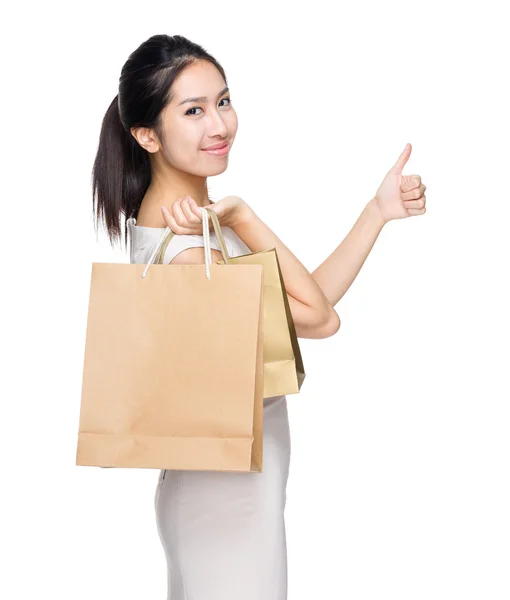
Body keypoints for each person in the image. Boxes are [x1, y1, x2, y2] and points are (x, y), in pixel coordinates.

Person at [91, 33, 427, 600]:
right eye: (192, 111)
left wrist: (378, 212)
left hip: (230, 489)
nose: (218, 125)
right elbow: (320, 321)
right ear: (146, 134)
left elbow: (305, 305)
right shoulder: (193, 247)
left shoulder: (193, 224)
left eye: (222, 101)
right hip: (224, 498)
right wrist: (245, 216)